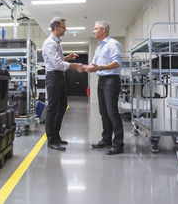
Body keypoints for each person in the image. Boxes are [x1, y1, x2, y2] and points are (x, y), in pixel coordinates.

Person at [42, 17, 84, 151]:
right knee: (53, 108)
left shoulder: (57, 43)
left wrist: (67, 57)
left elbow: (59, 60)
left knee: (62, 106)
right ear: (56, 28)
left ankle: (56, 136)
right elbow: (57, 64)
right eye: (63, 27)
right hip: (53, 77)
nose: (65, 29)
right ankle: (51, 140)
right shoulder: (49, 43)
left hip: (59, 76)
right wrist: (75, 65)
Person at [85, 20, 124, 155]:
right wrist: (85, 67)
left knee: (112, 112)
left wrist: (100, 67)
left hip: (111, 80)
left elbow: (117, 63)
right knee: (103, 112)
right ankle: (106, 139)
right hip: (102, 80)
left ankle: (118, 144)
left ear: (103, 30)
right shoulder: (99, 47)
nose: (93, 31)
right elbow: (94, 64)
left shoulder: (113, 44)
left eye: (96, 29)